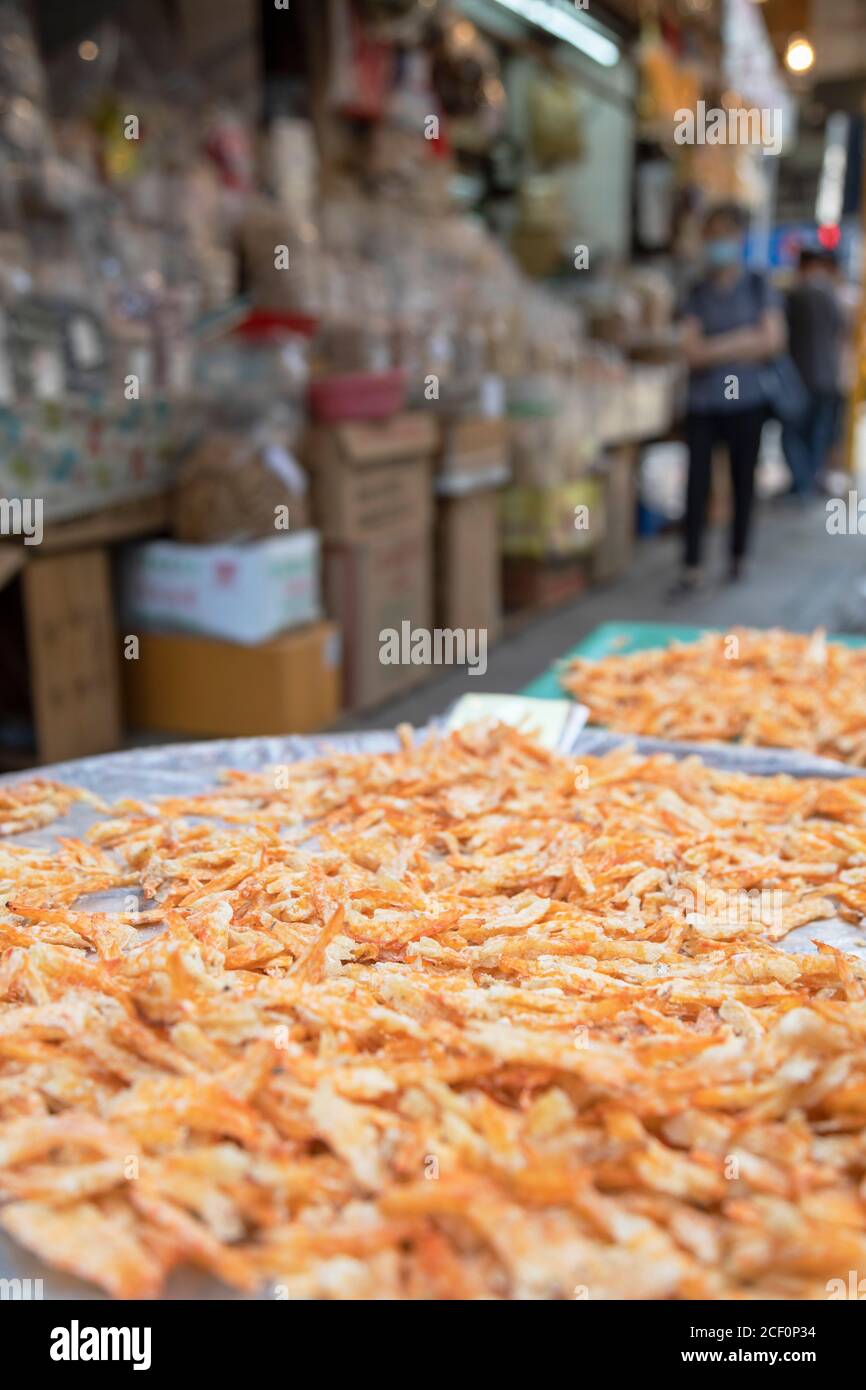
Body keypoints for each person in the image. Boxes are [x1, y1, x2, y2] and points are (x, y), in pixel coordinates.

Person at [674, 203, 786, 597]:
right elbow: (691, 351)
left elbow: (771, 340)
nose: (717, 242)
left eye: (725, 233)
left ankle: (738, 556)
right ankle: (692, 564)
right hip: (704, 403)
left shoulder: (758, 285)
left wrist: (715, 346)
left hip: (747, 402)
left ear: (739, 238)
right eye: (711, 234)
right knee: (696, 485)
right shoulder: (696, 291)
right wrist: (742, 341)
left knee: (743, 482)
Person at [782, 247, 845, 496]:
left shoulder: (795, 295)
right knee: (818, 432)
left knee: (794, 433)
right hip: (828, 375)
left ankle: (802, 482)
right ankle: (808, 481)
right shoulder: (830, 295)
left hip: (799, 377)